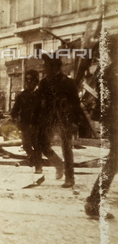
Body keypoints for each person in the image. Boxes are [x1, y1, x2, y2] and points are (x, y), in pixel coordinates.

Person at [36, 52, 83, 188]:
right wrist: (36, 120)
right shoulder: (44, 83)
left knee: (66, 148)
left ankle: (70, 178)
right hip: (48, 119)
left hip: (65, 119)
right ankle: (58, 164)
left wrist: (75, 122)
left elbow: (75, 104)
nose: (44, 69)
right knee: (43, 145)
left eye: (47, 66)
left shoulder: (68, 82)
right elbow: (38, 103)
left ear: (55, 67)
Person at [85, 33, 118, 219]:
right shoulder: (114, 71)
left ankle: (93, 201)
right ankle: (93, 202)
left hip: (112, 121)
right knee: (114, 161)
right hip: (116, 121)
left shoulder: (107, 70)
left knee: (114, 161)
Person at [11, 70, 40, 163]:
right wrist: (16, 119)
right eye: (26, 80)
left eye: (30, 80)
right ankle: (33, 158)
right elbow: (15, 110)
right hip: (25, 124)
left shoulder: (40, 94)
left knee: (37, 144)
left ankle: (36, 164)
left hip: (37, 124)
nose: (28, 82)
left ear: (36, 81)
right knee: (26, 145)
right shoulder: (22, 95)